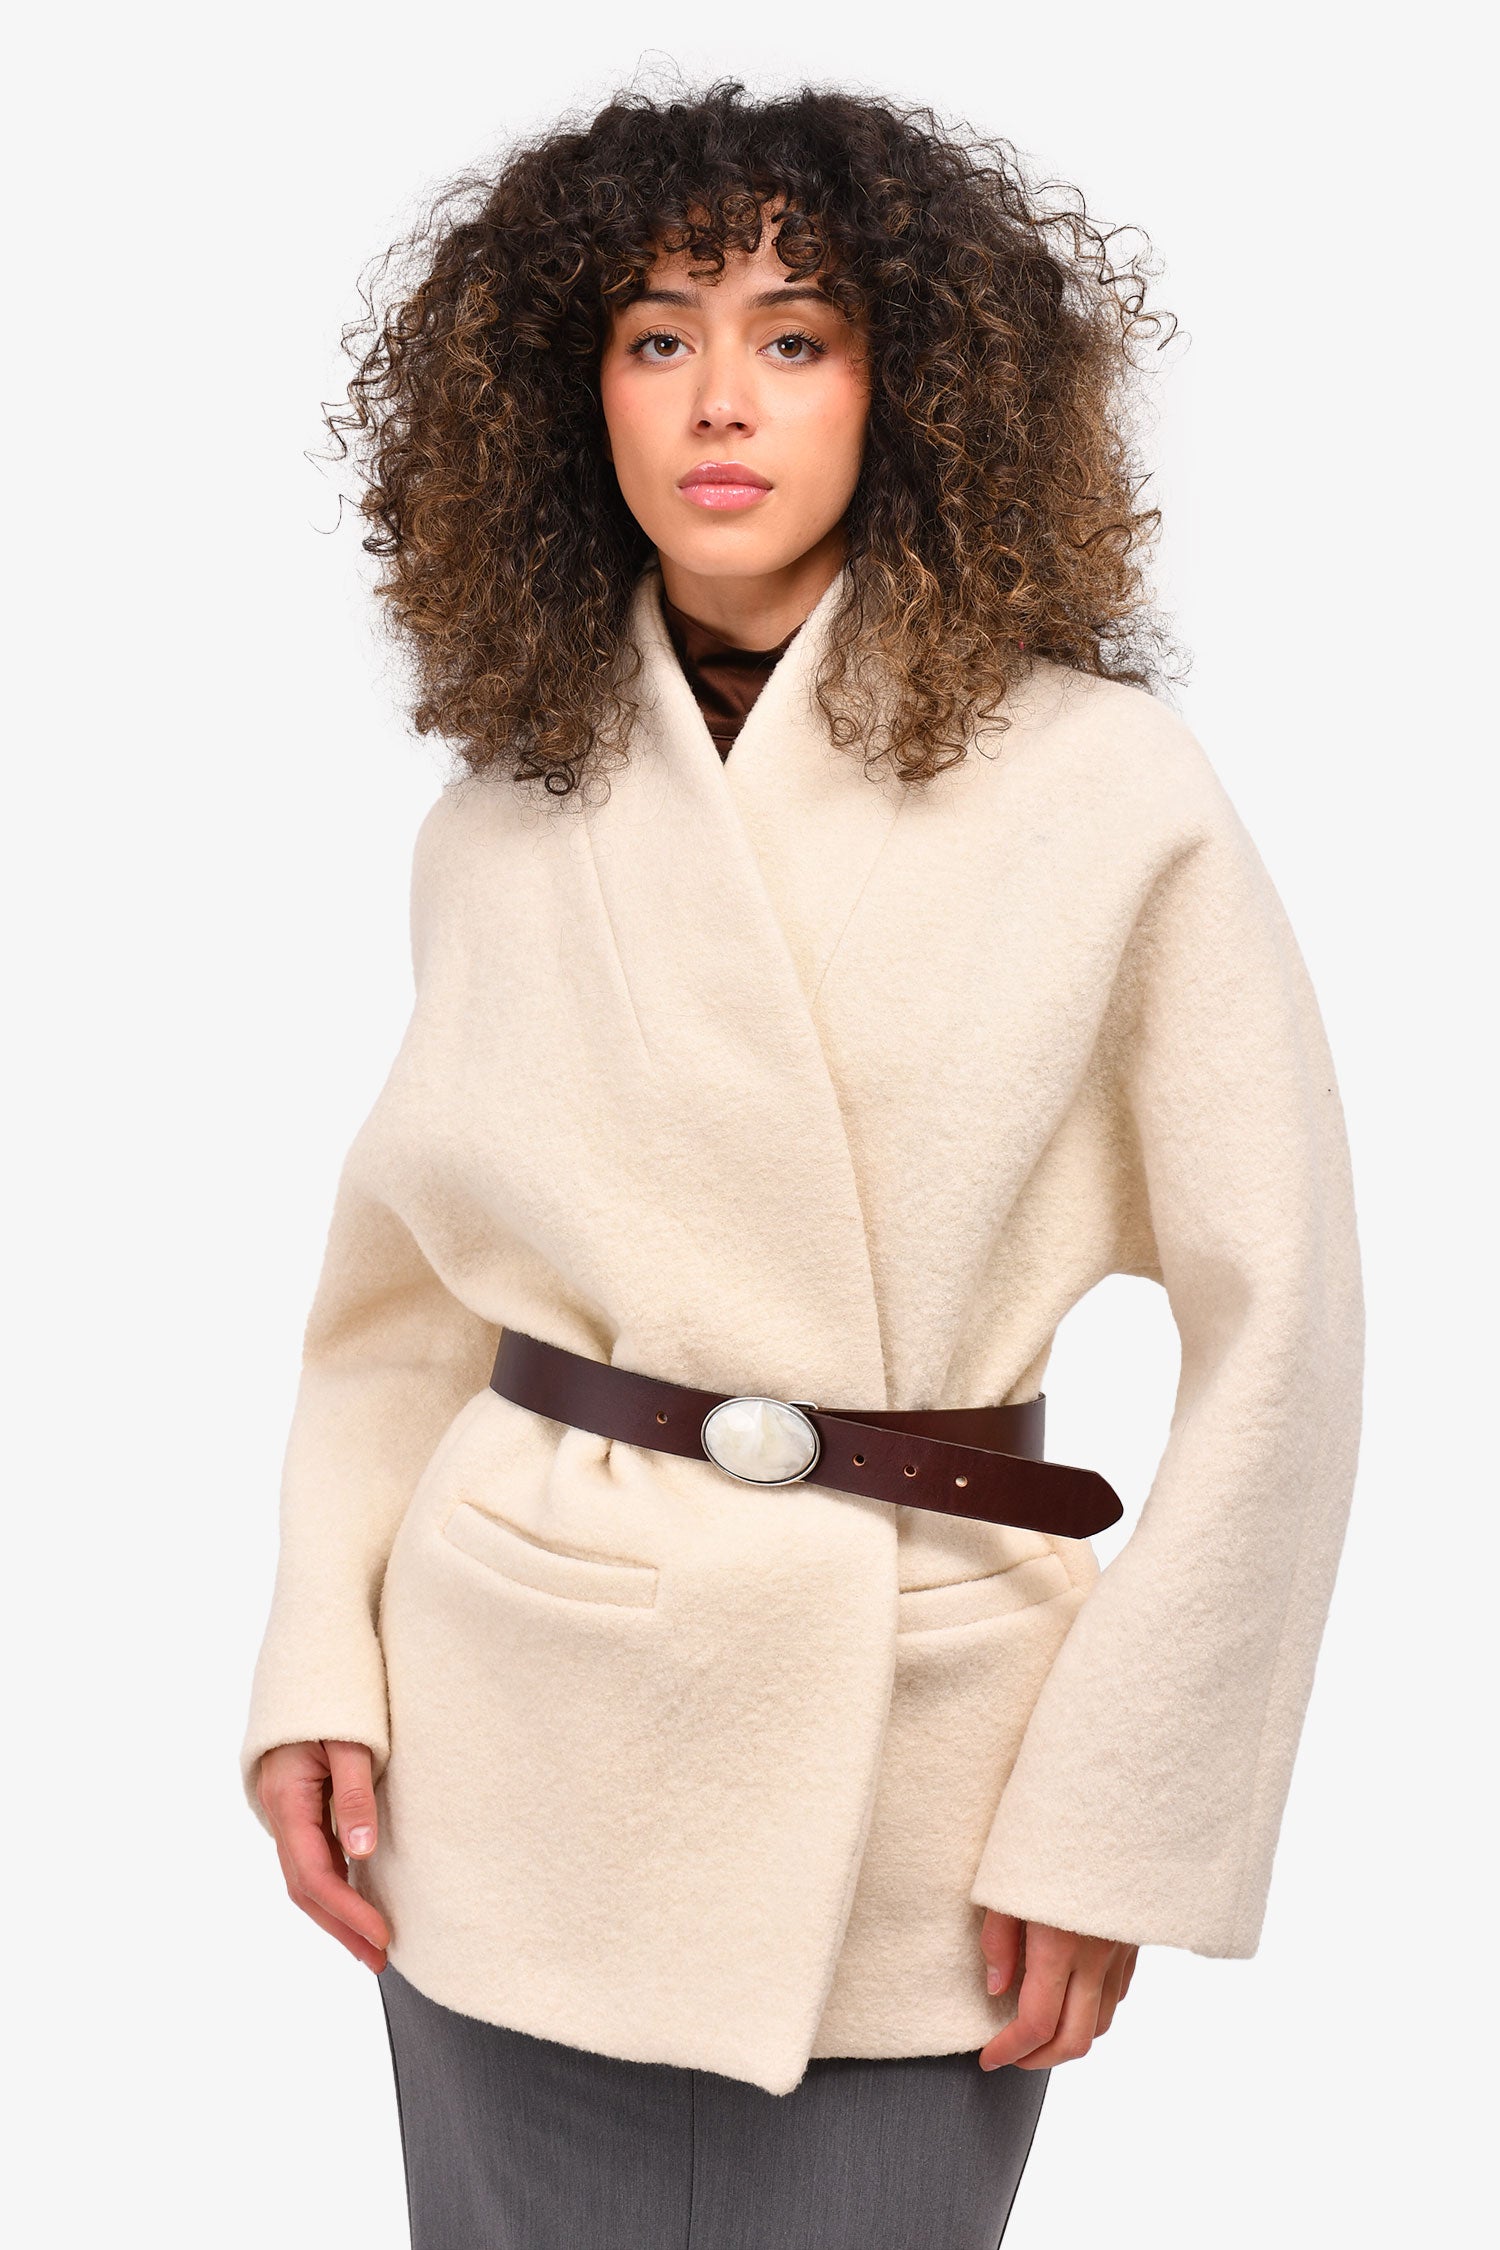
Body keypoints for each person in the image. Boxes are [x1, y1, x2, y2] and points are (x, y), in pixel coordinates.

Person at [240, 80, 1364, 2250]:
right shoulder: (503, 817)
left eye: (797, 335)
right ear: (570, 395)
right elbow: (394, 1319)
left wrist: (1126, 1809)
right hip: (511, 1744)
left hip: (926, 1768)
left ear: (908, 386)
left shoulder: (1112, 790)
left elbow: (1287, 1332)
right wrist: (316, 1660)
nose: (719, 400)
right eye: (657, 336)